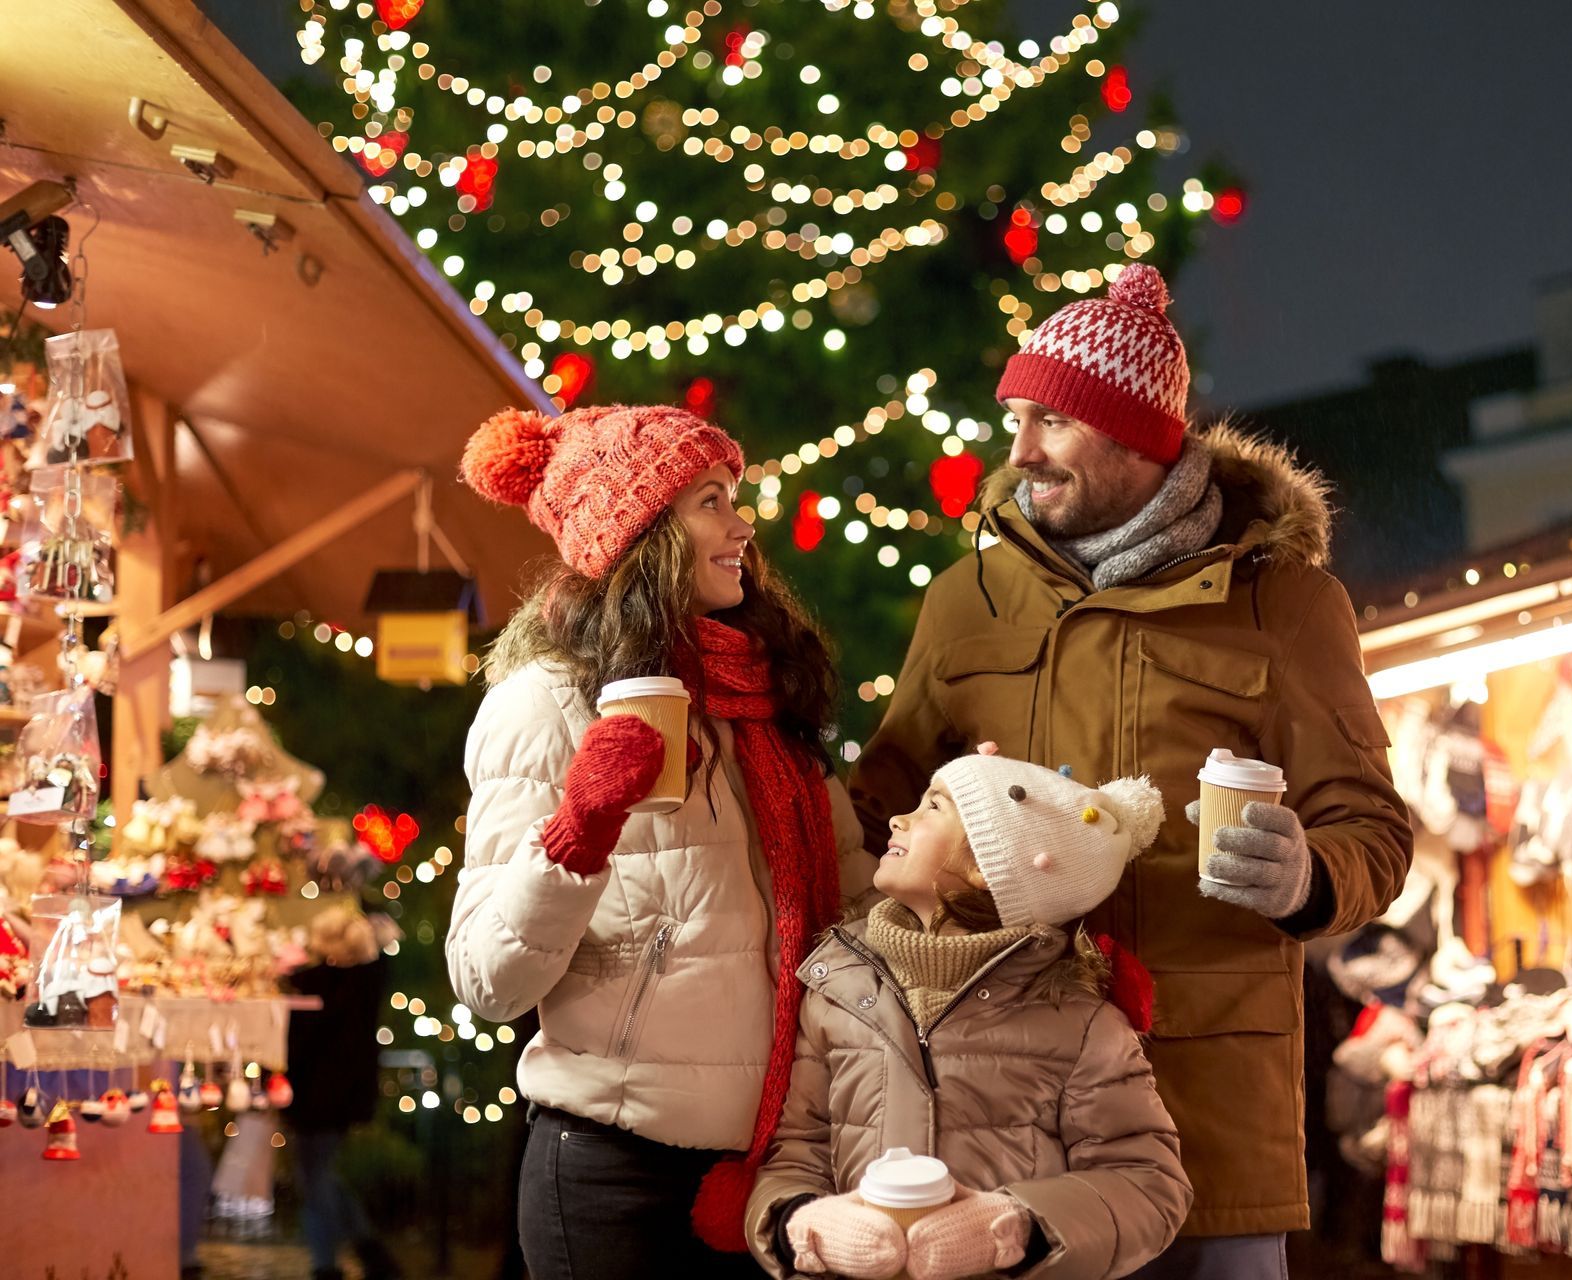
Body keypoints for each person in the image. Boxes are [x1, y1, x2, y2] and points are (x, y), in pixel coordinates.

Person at [851, 263, 1413, 1278]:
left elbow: (1371, 826)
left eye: (1049, 425)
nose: (1018, 452)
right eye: (1015, 419)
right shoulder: (966, 599)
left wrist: (1307, 877)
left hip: (1205, 1110)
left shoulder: (1282, 602)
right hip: (1008, 1118)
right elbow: (877, 810)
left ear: (1136, 436)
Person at [448, 403, 873, 1277]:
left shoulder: (769, 695)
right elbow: (487, 981)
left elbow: (859, 905)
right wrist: (581, 830)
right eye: (710, 501)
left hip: (778, 1169)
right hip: (614, 1173)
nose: (741, 525)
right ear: (640, 534)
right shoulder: (545, 705)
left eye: (734, 497)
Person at [748, 746, 1193, 1279]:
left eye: (933, 807)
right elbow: (798, 1151)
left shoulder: (1079, 1023)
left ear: (989, 864)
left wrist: (1017, 1228)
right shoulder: (837, 988)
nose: (898, 818)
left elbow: (1146, 1181)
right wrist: (801, 1224)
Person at [285, 903, 396, 1280]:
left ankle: (327, 1264)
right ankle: (368, 1249)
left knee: (316, 1179)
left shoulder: (316, 985)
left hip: (315, 1095)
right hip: (343, 1096)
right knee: (323, 1175)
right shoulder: (367, 983)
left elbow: (300, 1044)